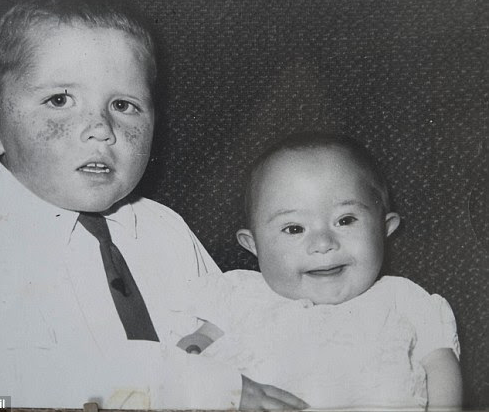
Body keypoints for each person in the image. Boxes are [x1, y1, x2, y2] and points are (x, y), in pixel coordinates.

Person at [0, 0, 306, 410]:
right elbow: (39, 379)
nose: (101, 128)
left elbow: (230, 321)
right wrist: (206, 385)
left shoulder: (164, 228)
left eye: (123, 105)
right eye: (60, 100)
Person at [177, 132, 462, 410]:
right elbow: (197, 346)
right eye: (294, 229)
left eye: (345, 220)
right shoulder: (242, 295)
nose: (323, 243)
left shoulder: (403, 298)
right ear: (253, 245)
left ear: (384, 228)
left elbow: (440, 366)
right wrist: (193, 350)